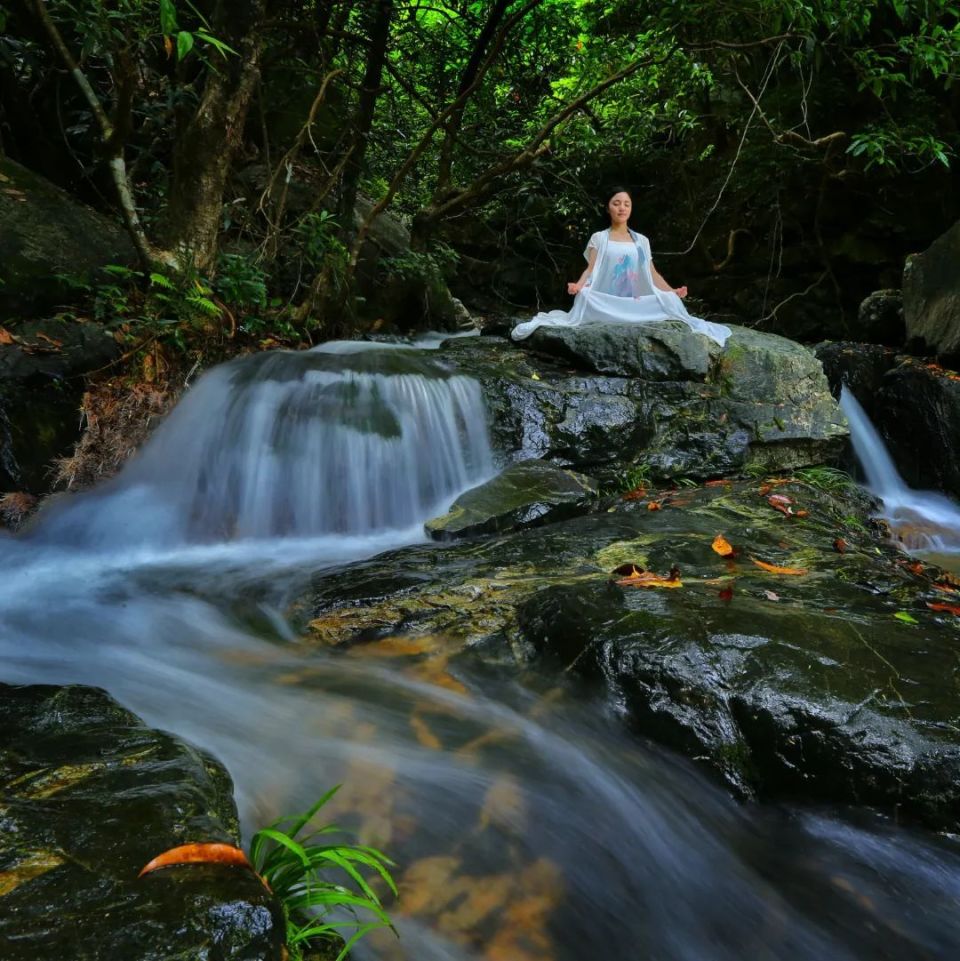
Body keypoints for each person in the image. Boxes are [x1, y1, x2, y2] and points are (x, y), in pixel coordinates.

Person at [511, 188, 731, 346]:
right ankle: (610, 309)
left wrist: (672, 291)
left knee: (670, 300)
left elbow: (652, 274)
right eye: (617, 203)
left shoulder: (641, 240)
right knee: (586, 296)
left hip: (634, 301)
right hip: (606, 300)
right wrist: (578, 286)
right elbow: (591, 269)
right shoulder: (599, 237)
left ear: (631, 208)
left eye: (626, 204)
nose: (622, 208)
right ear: (608, 208)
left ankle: (635, 310)